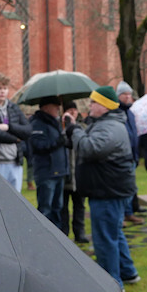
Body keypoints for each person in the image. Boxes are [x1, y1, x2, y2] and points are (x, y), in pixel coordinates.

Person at [67, 86, 141, 286]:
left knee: (104, 239)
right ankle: (128, 273)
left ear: (105, 106)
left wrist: (75, 130)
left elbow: (90, 149)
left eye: (94, 102)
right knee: (114, 232)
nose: (90, 106)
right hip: (108, 188)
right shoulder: (105, 124)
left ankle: (111, 284)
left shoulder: (110, 127)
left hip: (107, 190)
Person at [28, 96, 69, 225]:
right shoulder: (37, 123)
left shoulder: (55, 123)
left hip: (58, 171)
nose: (58, 108)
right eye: (55, 105)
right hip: (47, 172)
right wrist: (58, 142)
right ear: (46, 107)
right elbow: (39, 146)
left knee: (57, 208)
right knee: (45, 209)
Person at [115, 81, 144, 225]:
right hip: (122, 157)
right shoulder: (117, 113)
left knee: (130, 187)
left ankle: (129, 212)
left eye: (129, 94)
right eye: (125, 94)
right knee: (123, 188)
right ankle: (121, 215)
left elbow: (134, 134)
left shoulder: (131, 113)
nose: (128, 97)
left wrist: (137, 155)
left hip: (132, 156)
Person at [60, 101, 89, 243]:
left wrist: (74, 125)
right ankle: (63, 233)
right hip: (64, 173)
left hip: (79, 173)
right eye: (69, 109)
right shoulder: (60, 126)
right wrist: (65, 125)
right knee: (63, 206)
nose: (72, 112)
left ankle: (80, 232)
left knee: (80, 205)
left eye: (74, 110)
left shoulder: (83, 126)